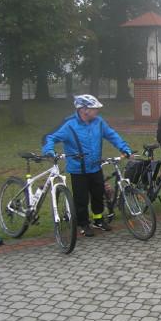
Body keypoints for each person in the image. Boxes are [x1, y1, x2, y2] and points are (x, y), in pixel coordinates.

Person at [42, 95, 131, 236]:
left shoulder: (99, 122)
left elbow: (112, 135)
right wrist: (49, 151)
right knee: (81, 199)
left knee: (98, 194)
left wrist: (124, 148)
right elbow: (50, 137)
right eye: (94, 108)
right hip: (78, 169)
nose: (97, 110)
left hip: (95, 166)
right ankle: (83, 223)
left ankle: (98, 220)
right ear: (83, 109)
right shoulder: (69, 124)